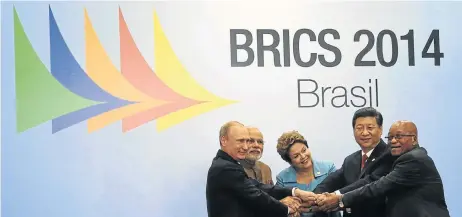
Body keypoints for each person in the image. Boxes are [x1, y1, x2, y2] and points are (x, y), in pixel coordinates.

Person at [317, 120, 451, 217]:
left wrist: (340, 199)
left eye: (398, 136)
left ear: (414, 139)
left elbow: (377, 186)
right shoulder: (400, 159)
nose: (393, 141)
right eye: (390, 137)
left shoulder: (414, 159)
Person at [206, 121, 318, 217]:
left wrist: (295, 192)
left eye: (247, 141)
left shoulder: (229, 164)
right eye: (240, 141)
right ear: (224, 140)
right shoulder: (225, 167)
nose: (245, 147)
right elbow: (256, 197)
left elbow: (259, 187)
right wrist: (286, 209)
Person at [313, 107, 395, 217]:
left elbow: (368, 182)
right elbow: (331, 181)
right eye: (359, 128)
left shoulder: (389, 155)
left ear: (380, 129)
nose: (365, 133)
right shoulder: (350, 160)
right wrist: (316, 196)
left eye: (370, 127)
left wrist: (336, 196)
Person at [275, 130, 341, 217]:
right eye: (296, 156)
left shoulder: (328, 168)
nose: (303, 156)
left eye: (304, 150)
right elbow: (280, 206)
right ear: (290, 161)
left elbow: (340, 198)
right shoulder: (282, 178)